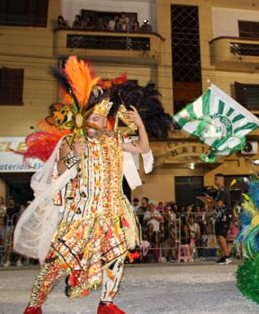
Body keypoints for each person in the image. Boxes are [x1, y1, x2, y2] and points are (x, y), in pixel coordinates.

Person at [16, 57, 155, 314]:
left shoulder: (115, 139)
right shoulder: (72, 141)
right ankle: (34, 306)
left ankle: (106, 303)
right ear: (84, 119)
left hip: (111, 213)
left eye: (100, 120)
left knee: (116, 256)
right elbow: (57, 171)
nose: (95, 123)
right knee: (57, 261)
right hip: (80, 215)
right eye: (91, 118)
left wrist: (140, 125)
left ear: (106, 122)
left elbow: (143, 148)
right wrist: (73, 155)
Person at [204, 173, 232, 264]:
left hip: (224, 215)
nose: (214, 180)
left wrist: (212, 200)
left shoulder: (223, 190)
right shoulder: (219, 191)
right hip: (220, 215)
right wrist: (206, 200)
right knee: (219, 236)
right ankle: (225, 255)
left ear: (221, 180)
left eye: (216, 179)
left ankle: (227, 256)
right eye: (214, 179)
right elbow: (214, 205)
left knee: (220, 235)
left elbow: (219, 204)